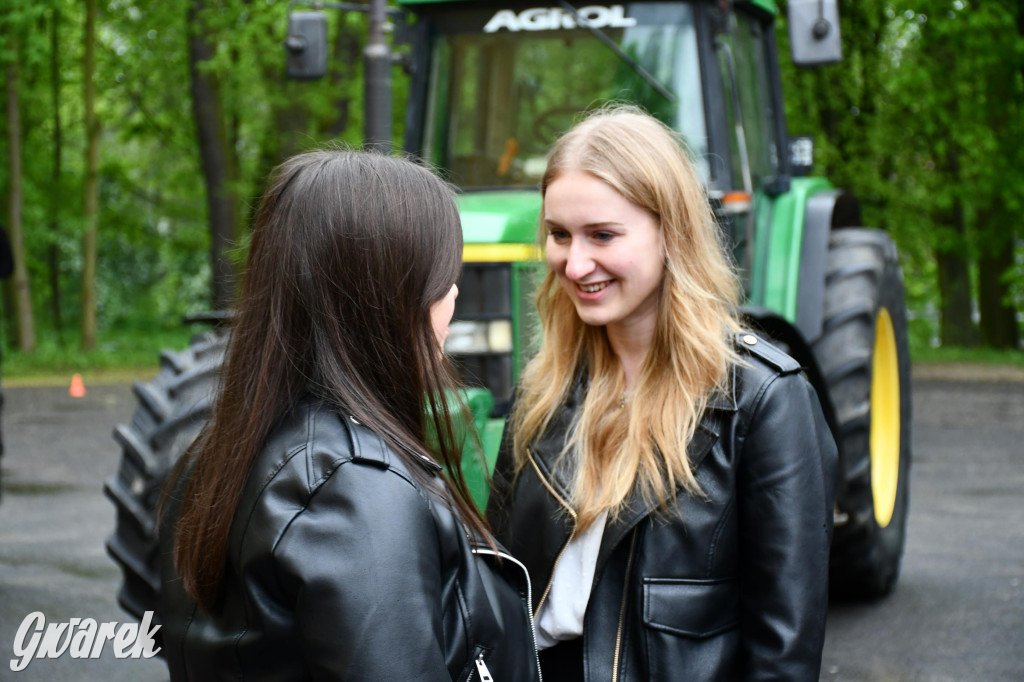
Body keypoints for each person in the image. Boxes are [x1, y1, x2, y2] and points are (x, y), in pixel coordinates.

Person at [157, 150, 541, 681]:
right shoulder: (357, 494)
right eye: (442, 276)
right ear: (387, 295)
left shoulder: (219, 456)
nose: (454, 294)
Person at [487, 107, 838, 681]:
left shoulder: (762, 401)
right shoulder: (544, 388)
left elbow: (784, 650)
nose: (574, 264)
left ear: (671, 233)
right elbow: (497, 585)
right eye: (559, 235)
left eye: (602, 235)